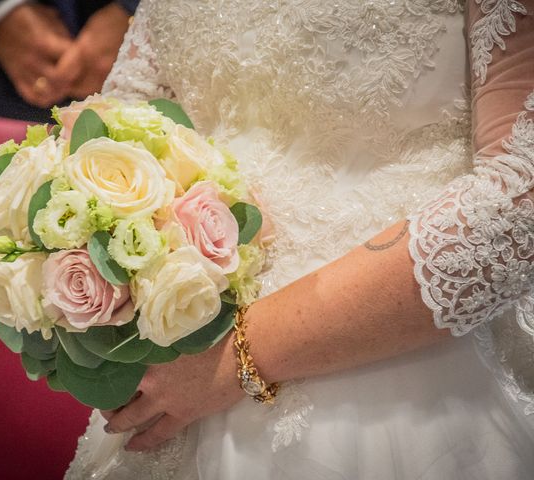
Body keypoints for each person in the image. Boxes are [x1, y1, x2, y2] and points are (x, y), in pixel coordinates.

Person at [64, 1, 534, 478]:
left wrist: (235, 357)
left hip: (397, 359)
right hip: (182, 335)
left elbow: (519, 199)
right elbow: (122, 122)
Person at [0, 2, 137, 479]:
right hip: (26, 76)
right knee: (11, 426)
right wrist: (0, 11)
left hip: (175, 66)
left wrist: (140, 10)